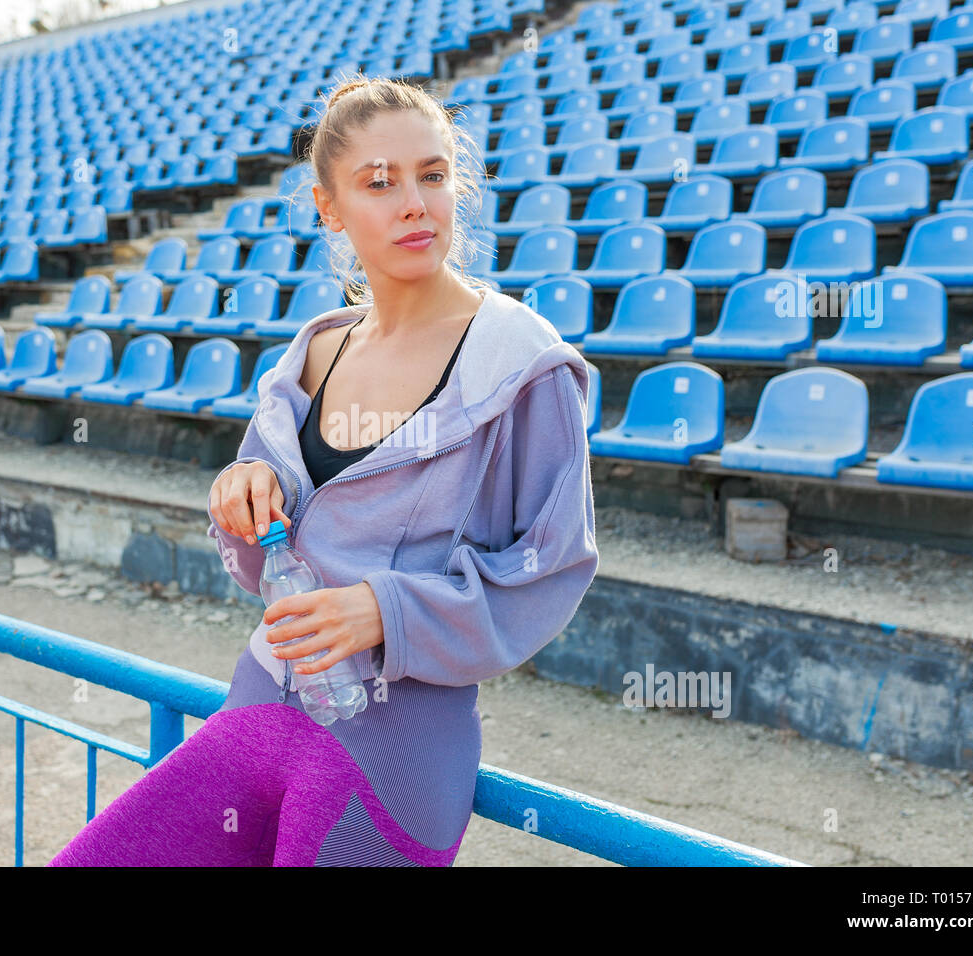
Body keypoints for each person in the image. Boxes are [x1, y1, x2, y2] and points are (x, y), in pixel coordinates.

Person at [47, 72, 600, 867]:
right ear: (329, 209)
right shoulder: (311, 353)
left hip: (392, 754)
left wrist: (387, 612)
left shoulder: (522, 366)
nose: (415, 202)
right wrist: (238, 498)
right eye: (380, 183)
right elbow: (255, 560)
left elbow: (551, 569)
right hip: (257, 709)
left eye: (433, 175)